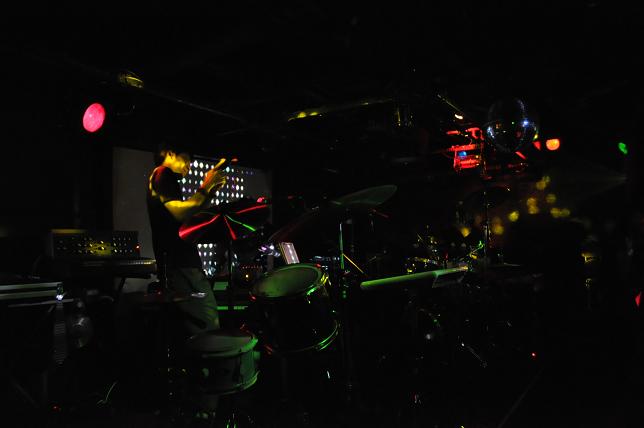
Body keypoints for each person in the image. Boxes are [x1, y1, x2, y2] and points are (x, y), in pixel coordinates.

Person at [146, 142, 227, 338]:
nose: (189, 166)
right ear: (171, 153)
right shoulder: (162, 173)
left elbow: (187, 213)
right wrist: (206, 186)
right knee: (206, 321)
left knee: (195, 324)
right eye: (187, 160)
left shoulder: (163, 177)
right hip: (181, 264)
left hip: (179, 265)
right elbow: (180, 213)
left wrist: (210, 189)